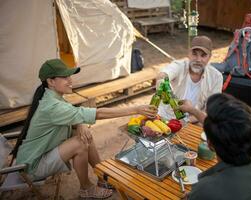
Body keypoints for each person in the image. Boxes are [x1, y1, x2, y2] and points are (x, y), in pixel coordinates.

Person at [13, 59, 157, 199]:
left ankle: (102, 177)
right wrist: (137, 109)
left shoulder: (52, 97)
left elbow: (73, 113)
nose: (70, 80)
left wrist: (81, 124)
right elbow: (97, 113)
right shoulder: (52, 106)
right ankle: (86, 189)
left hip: (38, 154)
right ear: (50, 82)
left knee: (84, 135)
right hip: (32, 166)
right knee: (80, 143)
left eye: (69, 75)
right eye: (64, 77)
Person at [179, 93, 251, 200]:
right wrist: (192, 110)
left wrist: (197, 195)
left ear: (209, 145)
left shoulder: (208, 189)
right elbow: (221, 127)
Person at [156, 35, 223, 123]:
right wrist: (164, 85)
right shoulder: (179, 66)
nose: (198, 60)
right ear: (188, 54)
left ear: (210, 57)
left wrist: (186, 121)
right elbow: (163, 75)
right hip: (167, 118)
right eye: (194, 54)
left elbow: (210, 111)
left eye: (203, 55)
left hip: (193, 121)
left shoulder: (216, 77)